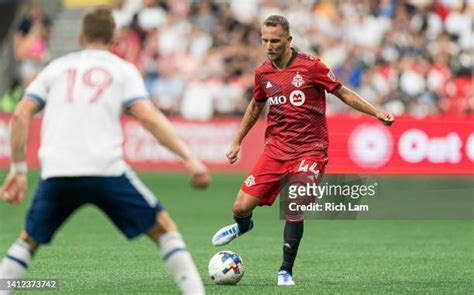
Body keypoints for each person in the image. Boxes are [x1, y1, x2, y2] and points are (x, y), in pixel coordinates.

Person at [0, 8, 209, 295]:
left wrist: (19, 170)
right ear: (115, 38)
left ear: (80, 36)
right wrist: (190, 159)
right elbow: (148, 117)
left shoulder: (56, 68)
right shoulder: (122, 69)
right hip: (105, 170)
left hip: (58, 170)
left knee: (27, 240)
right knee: (164, 229)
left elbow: (21, 114)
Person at [211, 15, 394, 286]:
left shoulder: (311, 67)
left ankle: (285, 271)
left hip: (311, 150)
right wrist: (237, 140)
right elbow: (255, 106)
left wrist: (375, 112)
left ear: (288, 40)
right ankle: (243, 225)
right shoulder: (263, 72)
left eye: (275, 40)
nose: (269, 45)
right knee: (240, 207)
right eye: (265, 40)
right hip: (275, 150)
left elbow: (342, 92)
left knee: (294, 205)